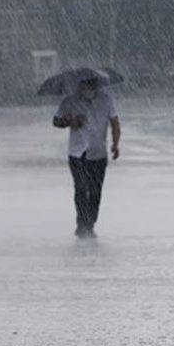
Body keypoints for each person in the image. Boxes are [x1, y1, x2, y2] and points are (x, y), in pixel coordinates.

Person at [53, 78, 120, 238]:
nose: (87, 89)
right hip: (77, 153)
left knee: (96, 190)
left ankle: (90, 223)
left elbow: (115, 122)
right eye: (83, 85)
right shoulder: (69, 101)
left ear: (95, 85)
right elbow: (56, 121)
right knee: (81, 188)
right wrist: (70, 121)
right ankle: (82, 223)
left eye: (90, 85)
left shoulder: (106, 100)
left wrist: (115, 144)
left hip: (98, 153)